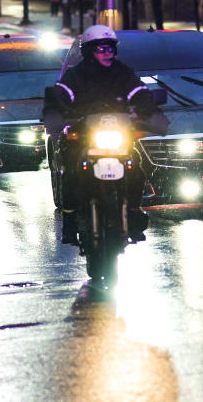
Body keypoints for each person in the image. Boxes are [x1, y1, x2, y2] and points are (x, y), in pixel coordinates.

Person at [44, 25, 167, 244]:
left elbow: (138, 92)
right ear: (89, 50)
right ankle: (70, 221)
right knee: (71, 171)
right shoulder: (76, 75)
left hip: (118, 134)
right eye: (102, 49)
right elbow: (62, 93)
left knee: (136, 167)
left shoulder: (123, 73)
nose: (107, 53)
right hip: (84, 135)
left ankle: (133, 211)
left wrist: (147, 109)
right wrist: (57, 110)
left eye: (110, 48)